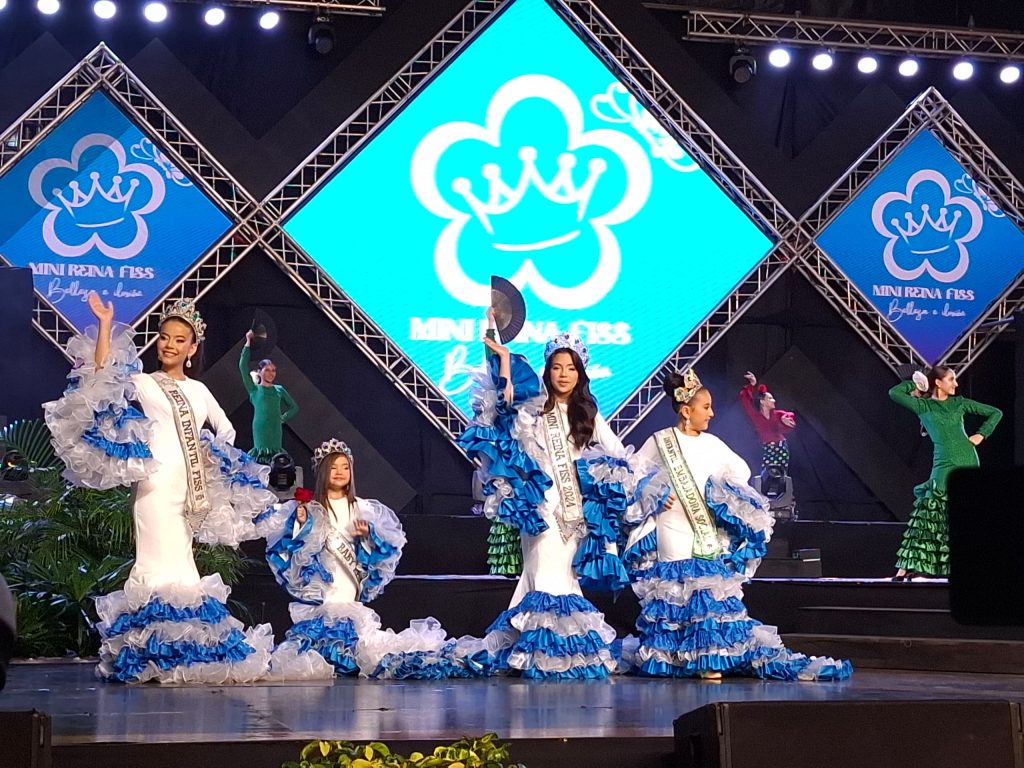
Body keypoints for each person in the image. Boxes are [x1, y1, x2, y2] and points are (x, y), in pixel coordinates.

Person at [44, 293, 276, 683]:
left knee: (183, 566)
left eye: (179, 340)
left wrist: (210, 453)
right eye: (164, 337)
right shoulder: (145, 383)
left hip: (189, 487)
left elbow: (226, 430)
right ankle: (149, 652)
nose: (169, 345)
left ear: (192, 348)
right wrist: (105, 324)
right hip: (154, 484)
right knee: (154, 563)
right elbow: (102, 373)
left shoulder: (199, 391)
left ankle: (181, 652)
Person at [622, 369, 851, 680]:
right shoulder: (660, 441)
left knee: (706, 589)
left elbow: (741, 470)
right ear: (686, 411)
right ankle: (673, 656)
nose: (712, 413)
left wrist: (721, 491)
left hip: (705, 526)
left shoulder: (713, 444)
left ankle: (707, 658)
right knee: (676, 588)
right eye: (706, 407)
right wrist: (655, 494)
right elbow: (632, 473)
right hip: (671, 525)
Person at [459, 315, 644, 679]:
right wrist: (502, 357)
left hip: (574, 512)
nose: (563, 374)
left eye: (571, 368)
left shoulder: (587, 414)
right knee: (543, 574)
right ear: (547, 371)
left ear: (580, 373)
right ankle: (541, 653)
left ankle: (546, 651)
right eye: (557, 367)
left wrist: (615, 485)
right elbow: (505, 401)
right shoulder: (534, 405)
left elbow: (619, 453)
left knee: (562, 578)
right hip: (540, 508)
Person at [256, 439, 488, 679]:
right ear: (323, 471)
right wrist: (302, 525)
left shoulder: (364, 509)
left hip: (350, 585)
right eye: (333, 467)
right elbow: (290, 548)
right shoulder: (311, 508)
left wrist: (368, 535)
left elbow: (386, 548)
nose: (340, 472)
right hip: (324, 589)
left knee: (361, 651)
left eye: (345, 467)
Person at [890, 366, 1002, 581]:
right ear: (938, 383)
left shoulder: (959, 403)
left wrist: (981, 435)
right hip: (943, 464)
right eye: (951, 379)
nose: (956, 383)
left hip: (967, 460)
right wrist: (918, 384)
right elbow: (894, 393)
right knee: (928, 514)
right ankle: (904, 569)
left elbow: (996, 413)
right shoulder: (923, 406)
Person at [240, 332, 299, 463]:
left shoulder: (279, 389)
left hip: (275, 428)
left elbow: (294, 407)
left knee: (276, 459)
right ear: (259, 372)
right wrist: (248, 342)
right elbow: (243, 366)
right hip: (261, 428)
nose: (271, 373)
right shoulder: (254, 389)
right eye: (267, 370)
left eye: (273, 370)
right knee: (260, 459)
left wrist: (282, 418)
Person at [739, 371, 796, 475]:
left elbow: (790, 416)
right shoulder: (756, 416)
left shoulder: (777, 414)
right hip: (767, 448)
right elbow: (745, 400)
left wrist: (785, 419)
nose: (774, 400)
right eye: (770, 398)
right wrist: (752, 385)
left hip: (780, 447)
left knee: (779, 475)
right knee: (766, 476)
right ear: (762, 401)